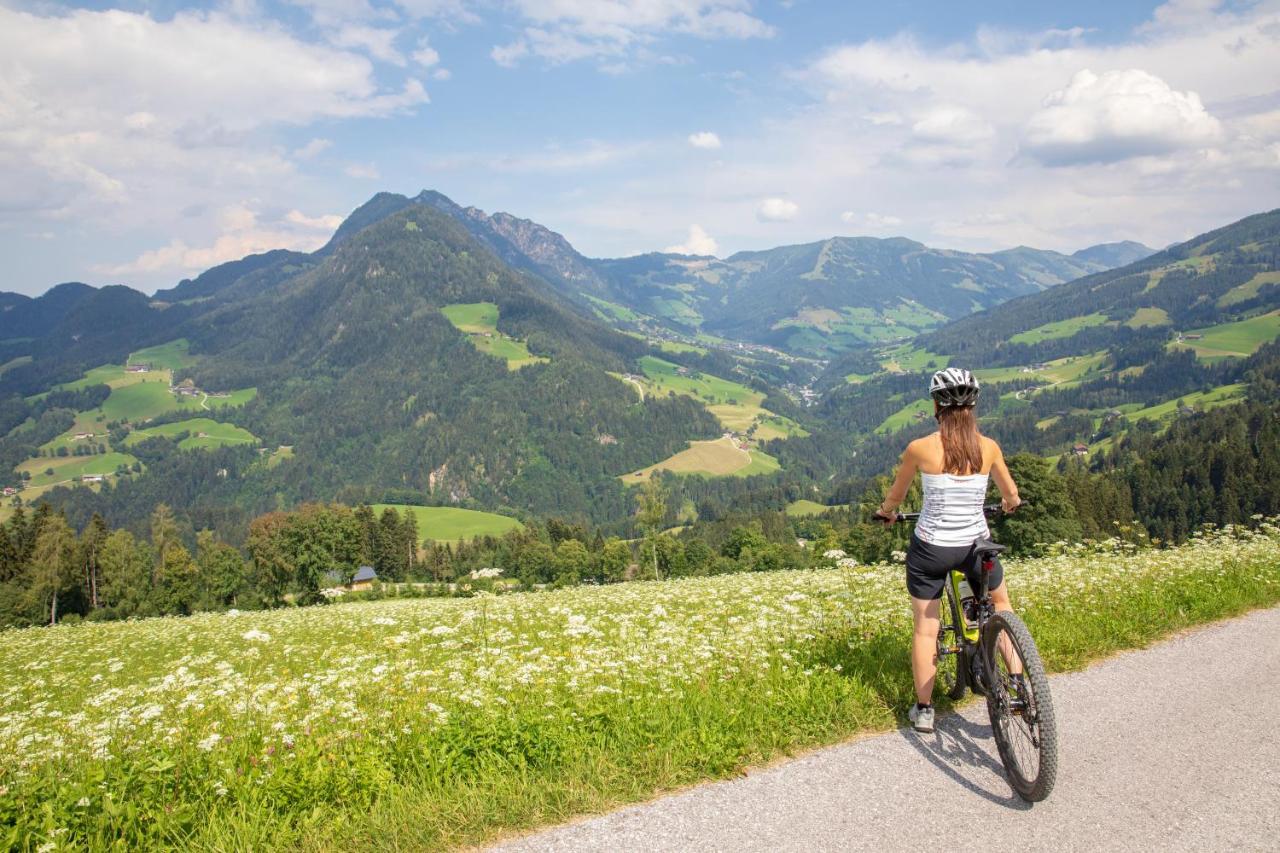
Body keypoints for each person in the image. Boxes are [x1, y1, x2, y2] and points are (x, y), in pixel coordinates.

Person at [873, 367, 1021, 733]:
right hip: (976, 547)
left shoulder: (920, 448)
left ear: (937, 404)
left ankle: (924, 710)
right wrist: (1007, 505)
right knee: (1002, 606)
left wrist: (887, 513)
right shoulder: (988, 447)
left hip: (932, 551)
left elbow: (896, 495)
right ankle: (1018, 686)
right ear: (973, 404)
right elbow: (1012, 495)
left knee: (926, 628)